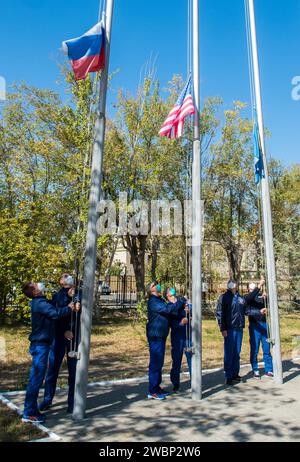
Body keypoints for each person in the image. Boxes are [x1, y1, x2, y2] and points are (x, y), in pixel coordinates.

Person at [22, 282, 77, 423]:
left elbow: (55, 302)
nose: (38, 284)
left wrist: (66, 293)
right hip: (40, 346)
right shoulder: (39, 303)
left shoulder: (41, 301)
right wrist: (70, 308)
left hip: (41, 345)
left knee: (37, 378)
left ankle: (31, 410)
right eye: (35, 285)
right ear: (34, 292)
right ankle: (29, 412)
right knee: (36, 379)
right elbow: (56, 313)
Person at [39, 273, 81, 414]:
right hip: (59, 336)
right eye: (64, 276)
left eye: (68, 275)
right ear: (61, 282)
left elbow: (79, 308)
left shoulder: (79, 292)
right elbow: (55, 315)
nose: (67, 276)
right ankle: (47, 399)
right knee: (52, 370)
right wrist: (64, 331)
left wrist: (75, 299)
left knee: (73, 371)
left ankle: (72, 403)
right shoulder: (58, 295)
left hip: (75, 336)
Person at [146, 282, 184, 400]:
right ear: (151, 289)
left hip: (161, 336)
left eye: (158, 284)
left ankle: (157, 387)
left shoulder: (159, 300)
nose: (158, 285)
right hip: (156, 336)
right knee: (155, 363)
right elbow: (168, 309)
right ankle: (152, 391)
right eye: (155, 285)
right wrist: (180, 302)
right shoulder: (153, 301)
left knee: (159, 363)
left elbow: (171, 310)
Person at [246, 279, 273, 379]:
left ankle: (269, 369)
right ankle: (255, 369)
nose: (252, 290)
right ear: (248, 289)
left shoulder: (262, 296)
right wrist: (259, 286)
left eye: (254, 288)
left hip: (264, 324)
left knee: (266, 348)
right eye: (251, 288)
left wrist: (266, 298)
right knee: (255, 349)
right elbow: (248, 311)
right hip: (254, 325)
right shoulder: (247, 298)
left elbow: (269, 305)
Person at [166, 288, 192, 393]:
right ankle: (175, 384)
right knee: (176, 360)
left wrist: (189, 311)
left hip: (187, 335)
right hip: (177, 336)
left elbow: (191, 312)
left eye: (174, 296)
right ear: (168, 297)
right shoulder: (168, 307)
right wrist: (181, 323)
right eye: (172, 296)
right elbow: (170, 324)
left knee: (191, 358)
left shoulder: (182, 303)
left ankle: (194, 381)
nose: (174, 298)